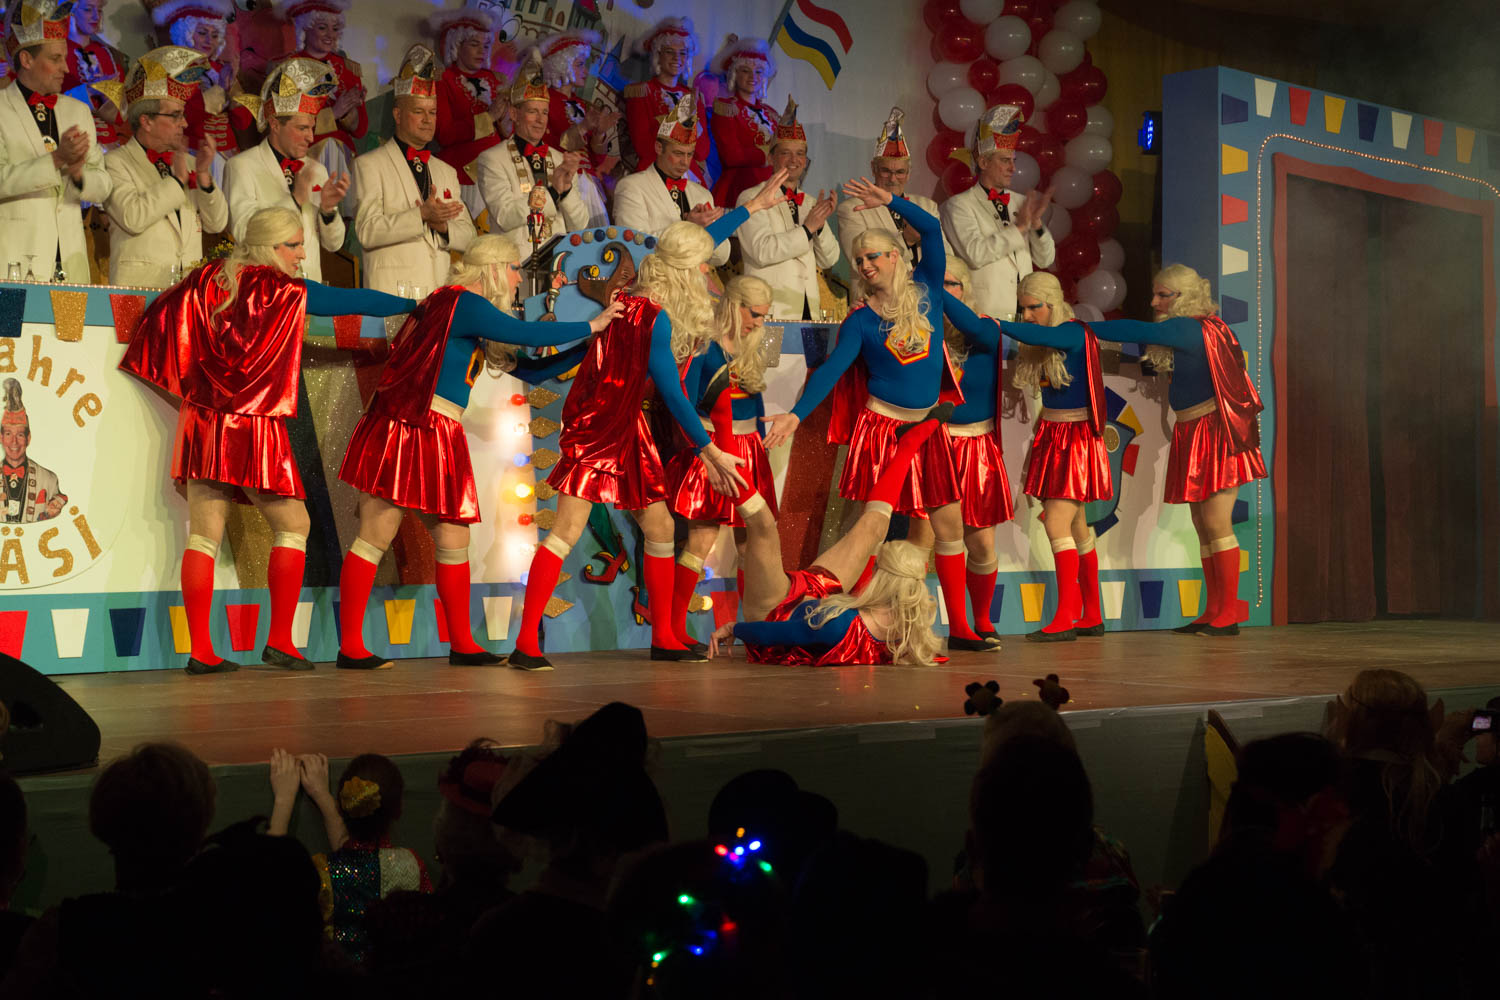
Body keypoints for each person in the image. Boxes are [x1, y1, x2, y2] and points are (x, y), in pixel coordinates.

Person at [510, 174, 792, 671]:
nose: (705, 274)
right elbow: (673, 393)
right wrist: (709, 449)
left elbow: (693, 243)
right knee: (566, 531)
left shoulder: (642, 297)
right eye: (700, 268)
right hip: (602, 427)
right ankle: (526, 643)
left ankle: (665, 635)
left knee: (659, 525)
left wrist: (752, 208)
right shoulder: (653, 316)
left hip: (629, 426)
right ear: (684, 273)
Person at [118, 206, 414, 675]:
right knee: (295, 525)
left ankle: (202, 652)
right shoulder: (283, 290)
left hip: (204, 420)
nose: (301, 255)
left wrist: (193, 386)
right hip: (253, 423)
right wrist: (413, 305)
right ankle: (279, 641)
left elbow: (160, 319)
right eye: (293, 246)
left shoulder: (210, 280)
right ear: (268, 246)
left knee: (203, 535)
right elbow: (351, 300)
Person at [334, 236, 622, 670]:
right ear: (493, 268)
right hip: (410, 424)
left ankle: (463, 643)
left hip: (438, 429)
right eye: (513, 269)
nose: (516, 280)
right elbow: (525, 333)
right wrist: (590, 326)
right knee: (377, 532)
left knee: (454, 538)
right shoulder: (461, 301)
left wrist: (585, 347)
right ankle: (351, 647)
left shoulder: (462, 309)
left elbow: (529, 369)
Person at [762, 179, 987, 651]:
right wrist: (795, 416)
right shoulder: (862, 321)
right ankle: (861, 623)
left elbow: (931, 230)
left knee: (949, 526)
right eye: (860, 260)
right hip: (882, 428)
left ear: (895, 257)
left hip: (929, 426)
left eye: (873, 257)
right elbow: (832, 371)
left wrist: (891, 201)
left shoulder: (928, 291)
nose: (865, 265)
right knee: (873, 529)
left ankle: (962, 629)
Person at [711, 413, 949, 667]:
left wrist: (734, 628)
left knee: (763, 527)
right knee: (874, 526)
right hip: (817, 592)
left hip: (774, 612)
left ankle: (722, 429)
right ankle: (908, 446)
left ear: (881, 577)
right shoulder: (909, 632)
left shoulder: (839, 626)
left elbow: (772, 634)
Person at [1150, 733, 1361, 1000]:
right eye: (1336, 802)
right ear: (1314, 808)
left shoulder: (1213, 883)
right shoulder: (1300, 907)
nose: (1344, 815)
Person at [1124, 264, 1266, 636]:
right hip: (1193, 429)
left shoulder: (1189, 327)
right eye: (1155, 294)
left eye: (1162, 295)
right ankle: (1214, 609)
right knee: (1202, 525)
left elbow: (1133, 330)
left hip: (1214, 431)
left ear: (1183, 297)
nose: (1154, 302)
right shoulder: (1200, 328)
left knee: (1216, 523)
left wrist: (1081, 328)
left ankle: (1229, 614)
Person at [989, 271, 1111, 641]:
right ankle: (1091, 614)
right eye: (1023, 309)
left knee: (1056, 523)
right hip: (1055, 433)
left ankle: (1066, 616)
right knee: (1076, 525)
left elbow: (1042, 336)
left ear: (1053, 304)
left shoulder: (1071, 332)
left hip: (1074, 437)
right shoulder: (1050, 339)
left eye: (1034, 308)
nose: (1027, 315)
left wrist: (994, 323)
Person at [665, 275, 776, 648]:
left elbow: (756, 400)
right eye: (754, 314)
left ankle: (755, 629)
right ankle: (673, 630)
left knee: (751, 542)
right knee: (701, 538)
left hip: (749, 449)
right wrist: (706, 453)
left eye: (763, 316)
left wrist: (761, 445)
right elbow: (686, 401)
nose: (758, 323)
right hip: (713, 448)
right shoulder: (703, 345)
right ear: (734, 305)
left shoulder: (754, 345)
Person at [930, 256, 1013, 645]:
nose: (946, 291)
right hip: (935, 445)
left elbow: (972, 327)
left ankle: (982, 620)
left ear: (965, 289)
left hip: (978, 447)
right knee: (939, 539)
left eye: (952, 284)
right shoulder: (923, 335)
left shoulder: (986, 329)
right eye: (940, 284)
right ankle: (958, 627)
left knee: (981, 543)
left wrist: (931, 287)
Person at [1, 0, 111, 283]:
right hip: (15, 264)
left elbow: (103, 186)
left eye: (65, 57)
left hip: (72, 265)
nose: (66, 67)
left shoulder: (77, 111)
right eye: (55, 59)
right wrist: (57, 159)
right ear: (26, 60)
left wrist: (78, 175)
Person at [351, 44, 475, 294]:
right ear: (398, 115)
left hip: (436, 294)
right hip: (391, 295)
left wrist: (443, 227)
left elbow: (470, 237)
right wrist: (420, 215)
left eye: (433, 112)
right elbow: (367, 231)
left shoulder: (446, 172)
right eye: (418, 112)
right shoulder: (369, 164)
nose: (428, 120)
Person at [104, 45, 228, 288]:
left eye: (183, 115)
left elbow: (217, 223)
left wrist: (204, 175)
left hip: (186, 292)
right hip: (137, 291)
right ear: (147, 121)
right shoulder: (115, 162)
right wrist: (177, 181)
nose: (184, 123)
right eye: (175, 115)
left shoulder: (190, 163)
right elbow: (133, 218)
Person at [223, 55, 349, 283]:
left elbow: (334, 244)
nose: (310, 137)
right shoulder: (241, 166)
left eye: (311, 128)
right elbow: (244, 232)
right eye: (302, 128)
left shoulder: (317, 170)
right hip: (265, 289)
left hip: (309, 288)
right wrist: (295, 200)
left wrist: (328, 210)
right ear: (274, 124)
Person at [312, 753, 432, 965]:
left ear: (339, 808)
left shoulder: (321, 871)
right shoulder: (411, 864)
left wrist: (312, 795)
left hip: (339, 981)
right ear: (399, 810)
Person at [940, 103, 1054, 323]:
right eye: (1004, 160)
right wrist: (1019, 229)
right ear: (983, 162)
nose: (1013, 168)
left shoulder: (1020, 202)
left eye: (1013, 161)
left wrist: (1037, 225)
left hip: (1026, 316)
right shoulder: (959, 205)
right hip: (985, 316)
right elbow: (975, 254)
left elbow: (1046, 259)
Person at [474, 47, 589, 261]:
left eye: (544, 112)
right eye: (532, 111)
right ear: (514, 113)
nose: (540, 120)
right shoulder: (492, 159)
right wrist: (553, 192)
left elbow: (580, 225)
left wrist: (566, 190)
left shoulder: (559, 159)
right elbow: (505, 216)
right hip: (513, 265)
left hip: (557, 265)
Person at [735, 99, 839, 321]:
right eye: (786, 153)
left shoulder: (810, 202)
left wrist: (819, 227)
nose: (794, 160)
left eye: (800, 153)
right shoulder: (751, 197)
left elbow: (829, 259)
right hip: (768, 312)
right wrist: (807, 229)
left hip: (809, 313)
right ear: (771, 157)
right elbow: (762, 251)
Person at [836, 107, 949, 297]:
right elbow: (860, 262)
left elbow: (947, 255)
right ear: (873, 169)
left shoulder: (926, 206)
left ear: (909, 173)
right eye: (886, 171)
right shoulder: (852, 208)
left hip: (926, 299)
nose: (893, 178)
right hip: (877, 301)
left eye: (900, 172)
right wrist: (907, 240)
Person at [612, 99, 728, 264]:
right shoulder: (631, 187)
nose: (685, 162)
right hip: (654, 277)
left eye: (690, 154)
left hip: (694, 279)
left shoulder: (702, 194)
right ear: (659, 148)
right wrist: (688, 227)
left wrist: (710, 230)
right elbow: (633, 245)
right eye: (678, 153)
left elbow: (721, 257)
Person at [150, 0, 256, 163]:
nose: (209, 40)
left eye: (214, 35)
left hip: (228, 154)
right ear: (186, 33)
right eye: (202, 33)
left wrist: (233, 92)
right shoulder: (172, 71)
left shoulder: (220, 69)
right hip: (193, 155)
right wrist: (220, 90)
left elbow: (243, 122)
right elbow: (183, 119)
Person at [427, 7, 504, 220]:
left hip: (498, 172)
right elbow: (444, 134)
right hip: (464, 173)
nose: (482, 51)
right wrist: (488, 118)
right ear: (457, 45)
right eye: (474, 44)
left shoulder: (496, 80)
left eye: (486, 46)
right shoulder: (443, 80)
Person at [280, 0, 364, 189]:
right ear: (306, 28)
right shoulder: (289, 68)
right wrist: (333, 114)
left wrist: (351, 114)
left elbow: (360, 131)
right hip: (304, 157)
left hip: (344, 159)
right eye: (322, 27)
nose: (330, 35)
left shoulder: (349, 69)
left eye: (335, 29)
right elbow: (285, 126)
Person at [534, 29, 612, 228]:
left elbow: (596, 159)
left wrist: (599, 133)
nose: (585, 71)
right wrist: (583, 127)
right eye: (579, 65)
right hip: (562, 179)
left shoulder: (583, 105)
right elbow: (551, 146)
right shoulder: (545, 101)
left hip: (588, 182)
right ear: (562, 65)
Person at [624, 16, 709, 183]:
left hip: (689, 176)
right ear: (658, 55)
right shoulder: (641, 92)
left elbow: (702, 152)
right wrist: (681, 123)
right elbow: (643, 147)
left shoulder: (693, 97)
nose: (677, 58)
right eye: (670, 52)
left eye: (682, 53)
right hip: (654, 173)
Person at [708, 36, 777, 210]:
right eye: (746, 71)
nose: (753, 76)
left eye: (759, 72)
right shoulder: (725, 108)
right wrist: (767, 156)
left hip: (772, 189)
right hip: (738, 188)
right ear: (734, 73)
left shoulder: (772, 114)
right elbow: (732, 156)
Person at [63, 0, 127, 149]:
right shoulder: (58, 51)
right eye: (88, 9)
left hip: (109, 144)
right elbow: (50, 102)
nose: (96, 17)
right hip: (73, 141)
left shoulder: (105, 53)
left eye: (98, 10)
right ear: (71, 12)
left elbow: (119, 117)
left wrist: (106, 93)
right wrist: (90, 91)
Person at [2, 378, 66, 523]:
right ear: (1, 437)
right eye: (8, 434)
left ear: (28, 438)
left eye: (20, 435)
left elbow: (61, 506)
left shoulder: (49, 479)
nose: (14, 442)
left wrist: (55, 510)